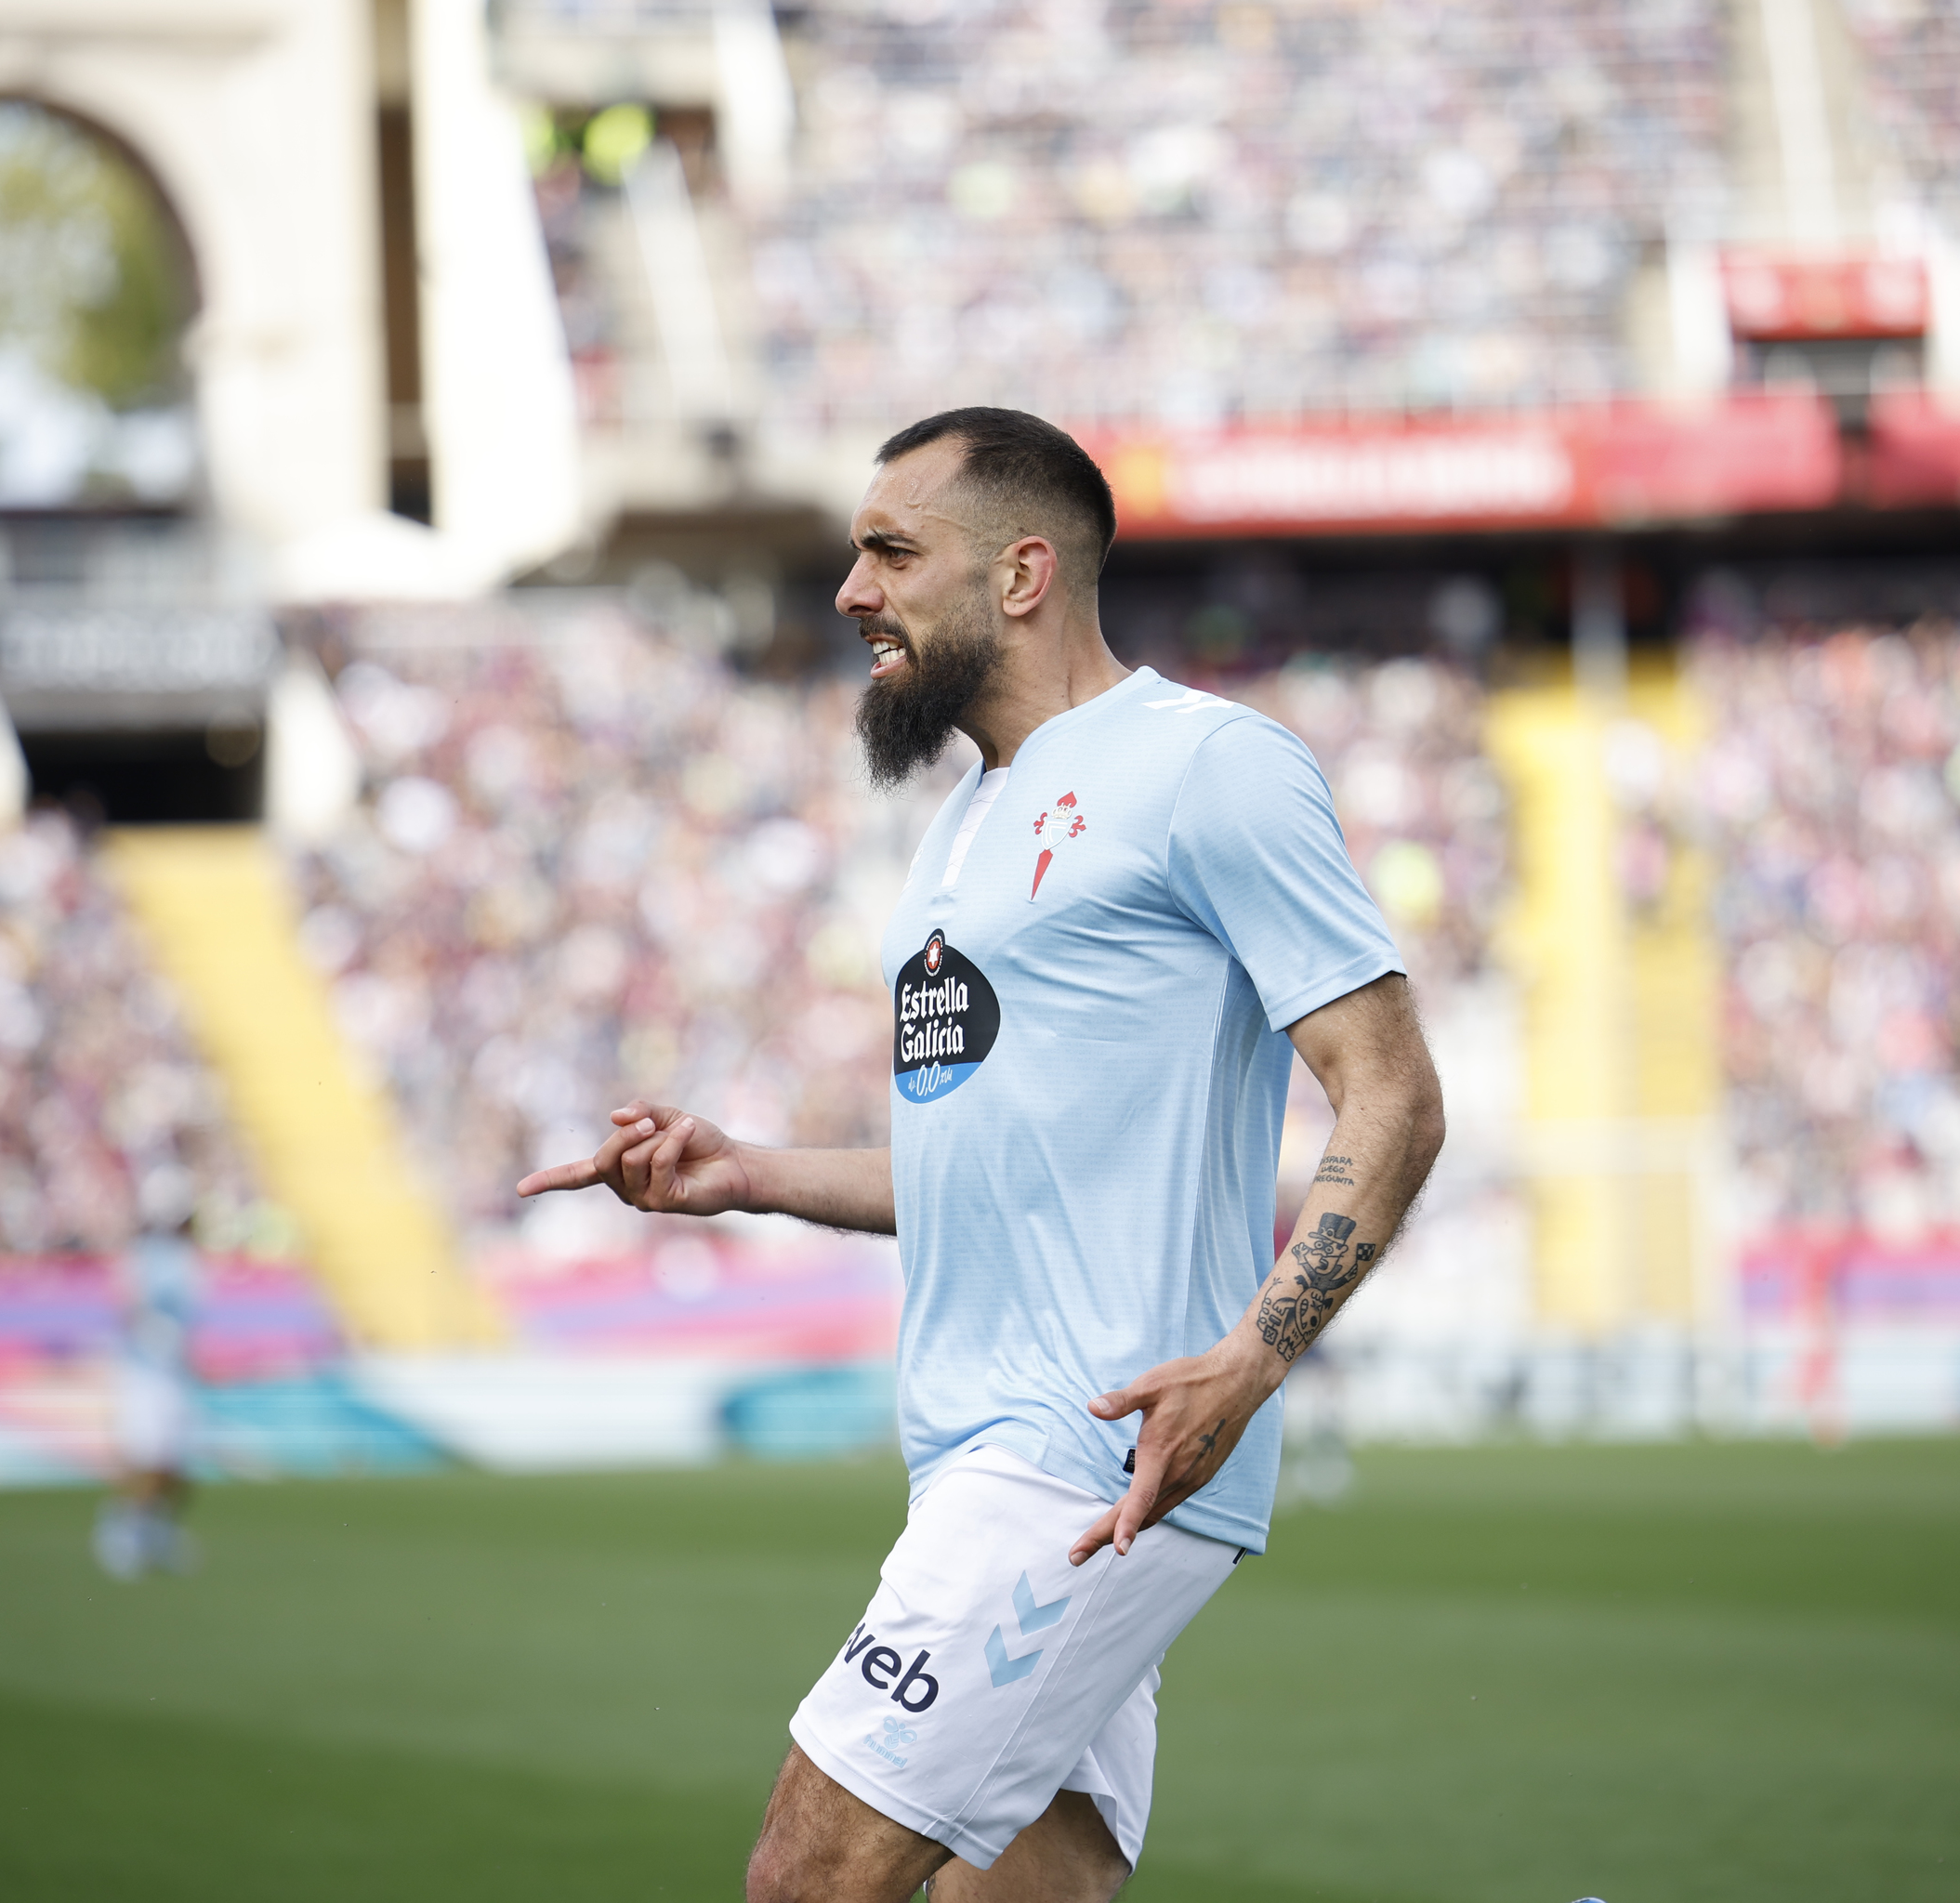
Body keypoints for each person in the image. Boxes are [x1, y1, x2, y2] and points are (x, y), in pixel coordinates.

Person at [520, 407, 1444, 1903]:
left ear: (1021, 575)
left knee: (807, 1879)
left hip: (1086, 1459)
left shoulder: (1209, 767)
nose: (850, 592)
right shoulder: (961, 822)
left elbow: (1394, 1094)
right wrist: (745, 1170)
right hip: (979, 1458)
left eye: (891, 551)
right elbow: (982, 1166)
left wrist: (1256, 1357)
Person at [95, 1212, 203, 1580]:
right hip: (144, 1374)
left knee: (176, 1467)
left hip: (172, 1374)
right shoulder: (147, 1255)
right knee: (148, 1459)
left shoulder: (187, 1260)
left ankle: (155, 1529)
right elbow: (131, 1311)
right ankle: (123, 1531)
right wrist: (160, 1338)